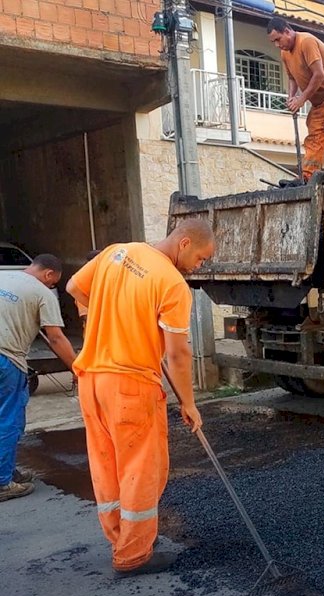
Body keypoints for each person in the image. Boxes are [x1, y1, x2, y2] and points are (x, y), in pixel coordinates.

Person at [66, 220, 215, 577]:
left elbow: (74, 286)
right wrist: (189, 403)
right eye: (201, 257)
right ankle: (133, 556)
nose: (200, 266)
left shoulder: (117, 252)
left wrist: (106, 317)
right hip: (131, 387)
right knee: (141, 469)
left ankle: (121, 537)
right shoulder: (173, 284)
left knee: (107, 465)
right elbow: (178, 355)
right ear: (184, 243)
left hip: (91, 380)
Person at [0, 254, 77, 501]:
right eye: (53, 283)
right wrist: (78, 368)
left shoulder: (3, 277)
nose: (52, 286)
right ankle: (2, 483)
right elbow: (55, 338)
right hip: (5, 358)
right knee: (9, 419)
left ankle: (8, 471)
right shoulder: (42, 293)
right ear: (49, 275)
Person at [267, 16, 324, 183]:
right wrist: (291, 98)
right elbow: (292, 79)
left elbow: (319, 74)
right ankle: (307, 177)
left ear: (287, 31)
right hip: (318, 101)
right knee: (314, 139)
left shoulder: (306, 42)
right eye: (274, 42)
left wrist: (301, 99)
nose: (277, 45)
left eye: (278, 39)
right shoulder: (285, 54)